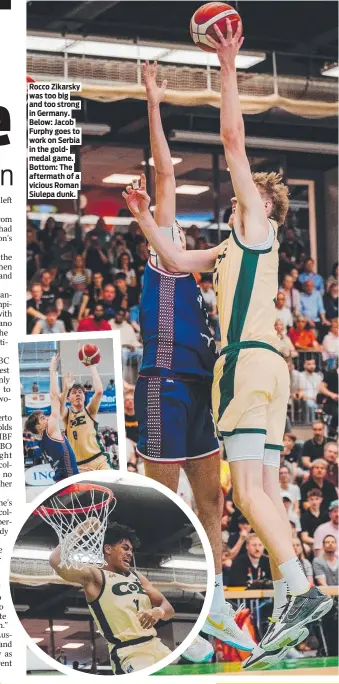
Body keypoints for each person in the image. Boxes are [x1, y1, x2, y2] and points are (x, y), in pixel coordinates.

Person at [123, 33, 332, 662]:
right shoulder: (224, 253)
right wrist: (138, 217)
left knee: (240, 494)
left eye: (251, 193)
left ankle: (297, 589)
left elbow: (233, 141)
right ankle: (284, 592)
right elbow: (172, 251)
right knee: (262, 490)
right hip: (243, 374)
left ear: (265, 205)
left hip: (243, 365)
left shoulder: (254, 221)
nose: (240, 195)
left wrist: (225, 65)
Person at [123, 60, 254, 659]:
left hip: (200, 389)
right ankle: (168, 624)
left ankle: (215, 609)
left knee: (213, 504)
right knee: (162, 505)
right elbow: (166, 172)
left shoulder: (200, 276)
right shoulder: (162, 255)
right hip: (160, 386)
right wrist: (154, 102)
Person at [49, 523, 174, 673]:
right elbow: (56, 561)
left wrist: (158, 611)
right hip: (129, 652)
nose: (130, 554)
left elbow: (168, 608)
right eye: (125, 548)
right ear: (108, 549)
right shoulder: (96, 576)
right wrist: (80, 530)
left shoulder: (137, 577)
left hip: (157, 646)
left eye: (131, 551)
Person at [24, 354, 78, 481]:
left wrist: (65, 390)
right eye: (43, 418)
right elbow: (54, 397)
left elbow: (59, 409)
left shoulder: (42, 441)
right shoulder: (50, 430)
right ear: (39, 426)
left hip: (61, 478)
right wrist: (52, 370)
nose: (47, 418)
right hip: (69, 477)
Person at [60, 365, 114, 471]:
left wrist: (92, 367)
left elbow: (99, 392)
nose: (78, 394)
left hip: (99, 460)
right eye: (74, 393)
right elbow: (60, 407)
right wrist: (66, 388)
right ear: (68, 398)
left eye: (80, 392)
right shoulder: (67, 415)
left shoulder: (89, 410)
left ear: (85, 397)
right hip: (78, 465)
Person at [292, 358, 323, 423]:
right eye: (309, 364)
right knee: (309, 403)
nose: (311, 366)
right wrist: (309, 397)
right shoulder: (300, 376)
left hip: (317, 398)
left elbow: (320, 389)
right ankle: (311, 424)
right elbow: (297, 392)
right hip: (306, 398)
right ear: (304, 365)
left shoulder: (318, 376)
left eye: (313, 364)